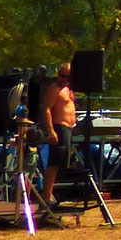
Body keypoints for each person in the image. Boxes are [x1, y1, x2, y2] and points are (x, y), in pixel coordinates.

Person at [33, 61, 77, 211]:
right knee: (54, 163)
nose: (64, 79)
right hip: (59, 127)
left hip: (69, 129)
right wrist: (51, 130)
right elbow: (46, 109)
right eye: (63, 75)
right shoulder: (55, 88)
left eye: (68, 76)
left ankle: (51, 194)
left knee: (64, 163)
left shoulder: (70, 90)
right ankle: (46, 197)